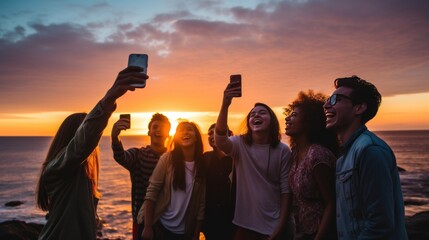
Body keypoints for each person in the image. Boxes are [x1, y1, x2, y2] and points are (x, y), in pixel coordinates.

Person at [35, 66, 148, 240]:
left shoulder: (80, 175)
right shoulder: (57, 168)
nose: (94, 146)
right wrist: (109, 99)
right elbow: (82, 143)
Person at [323, 75, 408, 239]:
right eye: (328, 99)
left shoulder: (370, 151)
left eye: (336, 99)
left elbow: (380, 224)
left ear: (359, 108)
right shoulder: (344, 154)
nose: (327, 104)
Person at [214, 79, 293, 240]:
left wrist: (281, 225)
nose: (256, 115)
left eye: (262, 113)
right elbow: (221, 140)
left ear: (272, 121)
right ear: (249, 123)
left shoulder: (283, 150)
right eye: (252, 114)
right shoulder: (240, 144)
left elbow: (286, 191)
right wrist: (225, 104)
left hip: (274, 226)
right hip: (244, 226)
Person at [137, 121, 206, 240]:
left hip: (184, 232)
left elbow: (201, 204)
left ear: (196, 137)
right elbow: (152, 192)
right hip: (159, 226)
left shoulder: (201, 165)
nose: (185, 132)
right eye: (181, 130)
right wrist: (147, 227)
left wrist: (196, 234)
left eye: (189, 129)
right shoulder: (168, 159)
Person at [284, 90, 339, 240]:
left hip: (322, 233)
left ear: (309, 122)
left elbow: (332, 203)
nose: (287, 118)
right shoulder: (295, 152)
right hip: (302, 232)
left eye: (294, 115)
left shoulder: (317, 155)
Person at [111, 113, 171, 240]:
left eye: (163, 128)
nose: (158, 130)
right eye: (155, 127)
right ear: (149, 132)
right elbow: (121, 157)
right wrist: (114, 137)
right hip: (141, 220)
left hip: (167, 221)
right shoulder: (138, 155)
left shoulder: (172, 159)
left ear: (168, 134)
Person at [202, 123, 234, 240]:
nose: (212, 135)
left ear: (230, 135)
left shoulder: (237, 158)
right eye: (209, 133)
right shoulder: (205, 158)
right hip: (210, 220)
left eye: (216, 132)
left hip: (233, 219)